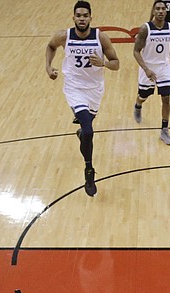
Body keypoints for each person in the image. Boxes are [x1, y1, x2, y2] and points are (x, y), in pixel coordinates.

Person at [46, 0, 119, 197]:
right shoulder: (64, 36)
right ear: (73, 17)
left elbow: (116, 63)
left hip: (95, 90)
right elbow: (51, 46)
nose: (81, 19)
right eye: (78, 15)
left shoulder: (100, 38)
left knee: (85, 132)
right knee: (88, 129)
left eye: (85, 16)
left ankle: (82, 134)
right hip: (74, 88)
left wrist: (103, 63)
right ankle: (89, 170)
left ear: (90, 18)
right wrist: (48, 66)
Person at [132, 0, 170, 145]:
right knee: (144, 95)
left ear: (166, 11)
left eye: (163, 8)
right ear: (153, 11)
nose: (160, 11)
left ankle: (164, 130)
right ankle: (138, 105)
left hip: (163, 67)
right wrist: (146, 69)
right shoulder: (145, 29)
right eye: (157, 8)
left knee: (166, 98)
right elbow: (136, 51)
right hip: (148, 67)